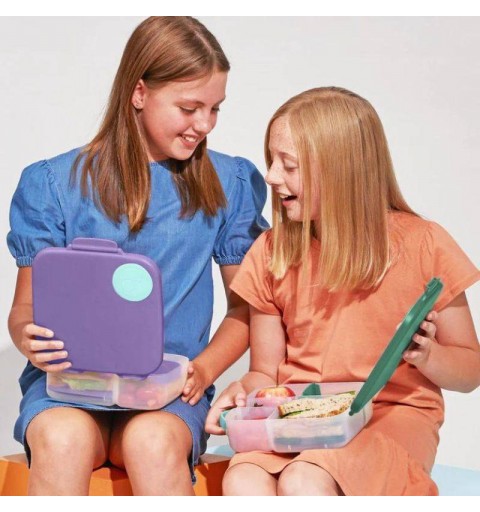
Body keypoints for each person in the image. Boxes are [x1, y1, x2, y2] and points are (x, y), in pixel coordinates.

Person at [6, 16, 268, 496]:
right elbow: (24, 309)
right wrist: (27, 338)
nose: (204, 124)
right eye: (189, 107)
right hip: (69, 389)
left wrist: (205, 369)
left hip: (168, 394)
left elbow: (247, 307)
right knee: (61, 439)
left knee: (152, 443)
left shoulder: (228, 183)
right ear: (139, 92)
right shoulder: (53, 184)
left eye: (215, 109)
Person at [205, 86, 480, 496]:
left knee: (304, 479)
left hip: (390, 416)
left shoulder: (425, 244)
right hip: (299, 415)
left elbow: (471, 370)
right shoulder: (272, 252)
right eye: (271, 160)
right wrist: (243, 392)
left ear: (341, 172)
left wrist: (430, 356)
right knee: (243, 478)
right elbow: (265, 372)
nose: (272, 176)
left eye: (288, 165)